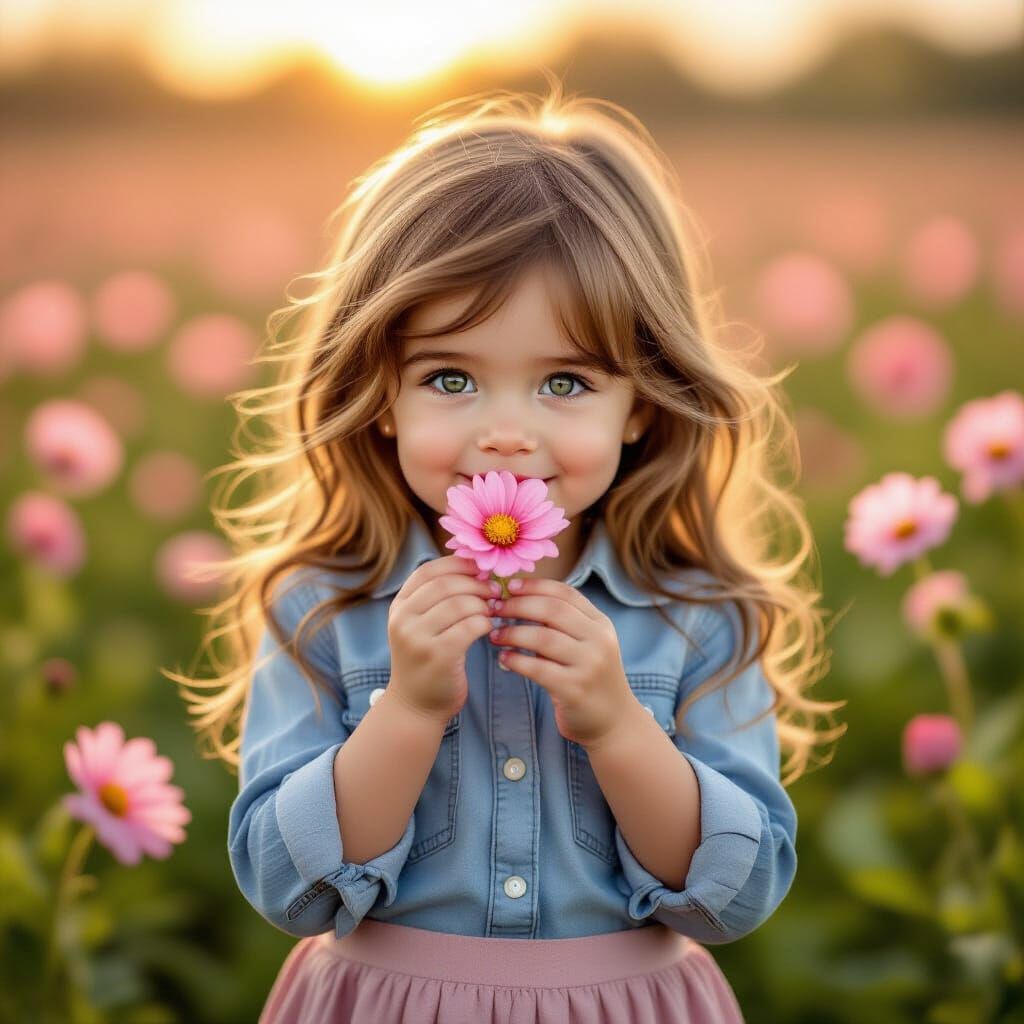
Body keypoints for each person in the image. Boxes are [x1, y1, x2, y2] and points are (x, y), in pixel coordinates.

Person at [174, 83, 845, 1022]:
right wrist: (405, 710)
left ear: (641, 401)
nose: (504, 432)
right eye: (451, 377)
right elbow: (291, 889)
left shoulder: (697, 614)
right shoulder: (322, 603)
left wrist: (619, 724)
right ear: (380, 394)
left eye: (564, 381)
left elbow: (736, 895)